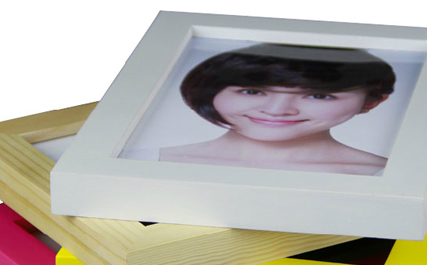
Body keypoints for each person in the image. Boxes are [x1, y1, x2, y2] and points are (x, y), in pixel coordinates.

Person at [128, 43, 396, 175]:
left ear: (373, 101)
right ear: (210, 90)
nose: (277, 110)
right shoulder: (138, 163)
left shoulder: (387, 177)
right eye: (252, 91)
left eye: (318, 95)